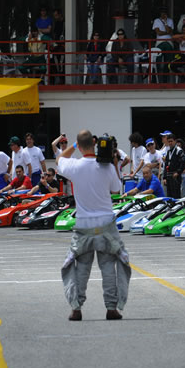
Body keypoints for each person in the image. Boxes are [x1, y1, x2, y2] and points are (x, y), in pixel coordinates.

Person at [58, 129, 130, 321]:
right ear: (95, 144)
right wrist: (114, 162)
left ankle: (76, 308)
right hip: (106, 223)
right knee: (108, 267)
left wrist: (73, 145)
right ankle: (112, 308)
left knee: (81, 268)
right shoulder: (105, 166)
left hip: (83, 225)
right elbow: (116, 189)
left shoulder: (73, 166)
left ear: (80, 147)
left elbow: (60, 159)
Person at [162, 132, 185, 198]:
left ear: (175, 141)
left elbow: (184, 162)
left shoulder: (179, 151)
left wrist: (178, 172)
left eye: (171, 141)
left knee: (176, 194)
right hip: (168, 176)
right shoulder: (168, 152)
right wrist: (164, 177)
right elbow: (166, 164)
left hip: (175, 176)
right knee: (169, 195)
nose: (170, 143)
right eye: (169, 141)